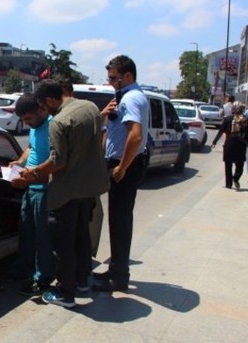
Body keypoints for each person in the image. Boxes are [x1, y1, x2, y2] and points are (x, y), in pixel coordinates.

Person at [21, 80, 109, 308]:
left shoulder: (58, 122)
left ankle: (65, 293)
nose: (44, 110)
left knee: (63, 244)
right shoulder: (90, 108)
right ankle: (81, 282)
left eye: (44, 105)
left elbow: (57, 162)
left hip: (67, 192)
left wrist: (33, 173)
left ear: (50, 100)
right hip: (89, 188)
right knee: (81, 237)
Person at [93, 55, 149, 293]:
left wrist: (122, 166)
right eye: (109, 78)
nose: (111, 82)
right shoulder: (126, 97)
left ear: (128, 76)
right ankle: (117, 270)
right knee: (118, 219)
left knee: (120, 221)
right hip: (121, 162)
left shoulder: (131, 99)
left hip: (124, 164)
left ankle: (119, 277)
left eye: (114, 78)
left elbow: (135, 136)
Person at [6, 92, 55, 297]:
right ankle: (23, 268)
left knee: (43, 238)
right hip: (30, 187)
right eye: (23, 120)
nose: (27, 124)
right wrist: (20, 162)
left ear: (41, 110)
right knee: (26, 232)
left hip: (45, 190)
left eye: (29, 119)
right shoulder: (35, 127)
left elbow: (57, 161)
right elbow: (31, 147)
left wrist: (30, 176)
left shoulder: (54, 126)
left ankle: (42, 277)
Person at [212, 101, 248, 189]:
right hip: (241, 145)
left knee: (228, 165)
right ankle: (236, 178)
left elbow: (221, 131)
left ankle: (228, 184)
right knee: (240, 165)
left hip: (229, 144)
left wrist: (214, 141)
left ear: (233, 109)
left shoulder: (227, 119)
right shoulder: (246, 119)